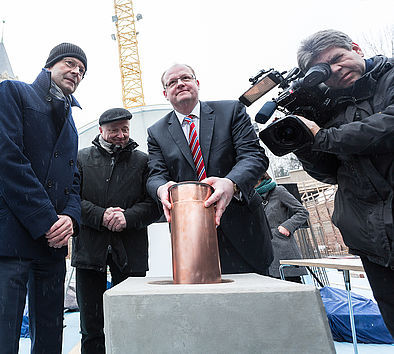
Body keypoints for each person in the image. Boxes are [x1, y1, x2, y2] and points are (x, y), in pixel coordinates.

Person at [0, 42, 87, 353]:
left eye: (82, 70)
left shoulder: (71, 123)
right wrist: (48, 220)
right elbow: (7, 159)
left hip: (51, 246)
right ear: (50, 65)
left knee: (50, 333)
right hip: (9, 237)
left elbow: (73, 179)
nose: (76, 71)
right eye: (70, 63)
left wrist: (71, 219)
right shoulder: (13, 93)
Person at [294, 29, 394, 335]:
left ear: (355, 48)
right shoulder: (330, 108)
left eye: (338, 59)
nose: (336, 71)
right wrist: (304, 142)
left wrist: (324, 137)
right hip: (371, 239)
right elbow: (328, 173)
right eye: (324, 70)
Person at [146, 63, 273, 275]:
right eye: (172, 82)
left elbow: (254, 156)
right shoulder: (156, 132)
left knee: (253, 302)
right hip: (190, 238)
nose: (180, 84)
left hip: (243, 229)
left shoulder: (231, 111)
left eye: (185, 78)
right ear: (165, 93)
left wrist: (231, 183)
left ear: (197, 83)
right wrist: (161, 189)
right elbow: (155, 175)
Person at [72, 108, 160, 353]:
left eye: (125, 129)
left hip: (131, 251)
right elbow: (70, 200)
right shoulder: (82, 159)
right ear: (101, 130)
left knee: (133, 320)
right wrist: (101, 216)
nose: (121, 135)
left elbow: (154, 206)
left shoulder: (143, 161)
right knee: (91, 325)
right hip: (90, 251)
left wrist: (127, 218)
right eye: (114, 130)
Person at [255, 172, 308, 283]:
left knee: (294, 291)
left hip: (282, 251)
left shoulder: (278, 191)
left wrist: (287, 226)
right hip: (262, 253)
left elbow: (302, 212)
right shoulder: (251, 198)